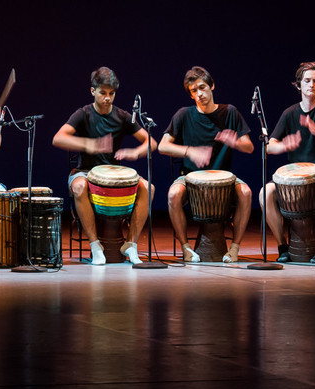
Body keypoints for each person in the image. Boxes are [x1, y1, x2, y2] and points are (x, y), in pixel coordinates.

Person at [52, 67, 157, 265]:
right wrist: (89, 144)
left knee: (147, 188)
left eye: (111, 93)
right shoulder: (83, 114)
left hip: (114, 176)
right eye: (103, 93)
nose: (108, 98)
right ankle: (95, 245)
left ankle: (131, 244)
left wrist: (135, 152)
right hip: (84, 172)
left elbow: (152, 142)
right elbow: (58, 138)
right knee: (80, 186)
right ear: (93, 91)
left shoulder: (123, 116)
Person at [158, 66, 254, 263]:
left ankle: (234, 249)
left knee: (246, 192)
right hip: (189, 177)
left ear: (212, 86)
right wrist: (189, 151)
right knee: (173, 194)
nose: (199, 94)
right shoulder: (183, 114)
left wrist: (234, 141)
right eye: (194, 91)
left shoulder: (230, 112)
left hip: (223, 177)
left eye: (202, 87)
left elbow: (250, 147)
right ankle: (186, 248)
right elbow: (162, 146)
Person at [259, 61, 315, 263]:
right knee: (265, 193)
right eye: (307, 81)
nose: (311, 85)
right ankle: (282, 246)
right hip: (296, 177)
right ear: (298, 84)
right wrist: (284, 146)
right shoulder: (290, 113)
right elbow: (269, 146)